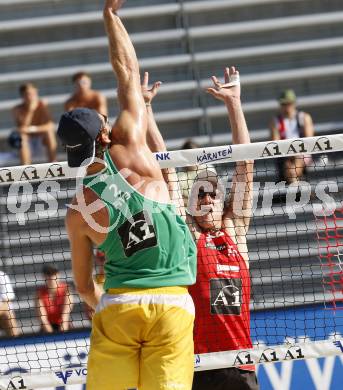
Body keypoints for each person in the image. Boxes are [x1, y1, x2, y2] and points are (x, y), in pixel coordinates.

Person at [58, 1, 196, 389]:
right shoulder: (133, 146)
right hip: (171, 302)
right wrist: (110, 17)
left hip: (119, 303)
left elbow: (84, 287)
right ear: (104, 134)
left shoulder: (78, 210)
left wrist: (108, 302)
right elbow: (128, 72)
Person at [145, 66, 257, 389]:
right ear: (191, 204)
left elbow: (245, 164)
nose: (207, 197)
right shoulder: (188, 235)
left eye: (213, 192)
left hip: (240, 363)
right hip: (198, 366)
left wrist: (234, 103)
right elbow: (164, 167)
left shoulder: (236, 231)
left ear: (223, 201)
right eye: (200, 193)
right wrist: (147, 109)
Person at [269, 89, 314, 183]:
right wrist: (288, 153)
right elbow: (275, 143)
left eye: (288, 104)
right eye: (283, 104)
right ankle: (294, 189)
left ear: (294, 103)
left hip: (302, 153)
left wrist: (296, 153)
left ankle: (295, 189)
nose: (286, 107)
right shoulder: (275, 121)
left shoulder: (304, 118)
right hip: (284, 155)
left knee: (294, 166)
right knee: (289, 167)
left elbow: (309, 141)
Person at [12, 83, 57, 165]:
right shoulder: (17, 109)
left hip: (41, 141)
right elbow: (22, 128)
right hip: (27, 143)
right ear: (23, 96)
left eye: (34, 93)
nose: (32, 96)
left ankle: (53, 164)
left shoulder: (42, 106)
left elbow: (50, 126)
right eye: (29, 94)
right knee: (22, 137)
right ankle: (25, 168)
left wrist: (32, 129)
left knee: (49, 133)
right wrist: (30, 110)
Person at [36, 265, 73, 333]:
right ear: (44, 276)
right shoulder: (39, 293)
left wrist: (62, 335)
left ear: (58, 275)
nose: (51, 277)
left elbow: (65, 315)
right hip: (46, 329)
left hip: (64, 326)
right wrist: (52, 336)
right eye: (48, 274)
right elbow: (43, 319)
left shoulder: (66, 289)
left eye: (53, 273)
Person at [0, 270, 20, 337]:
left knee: (8, 315)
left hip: (2, 314)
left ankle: (16, 343)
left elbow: (7, 303)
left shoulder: (2, 276)